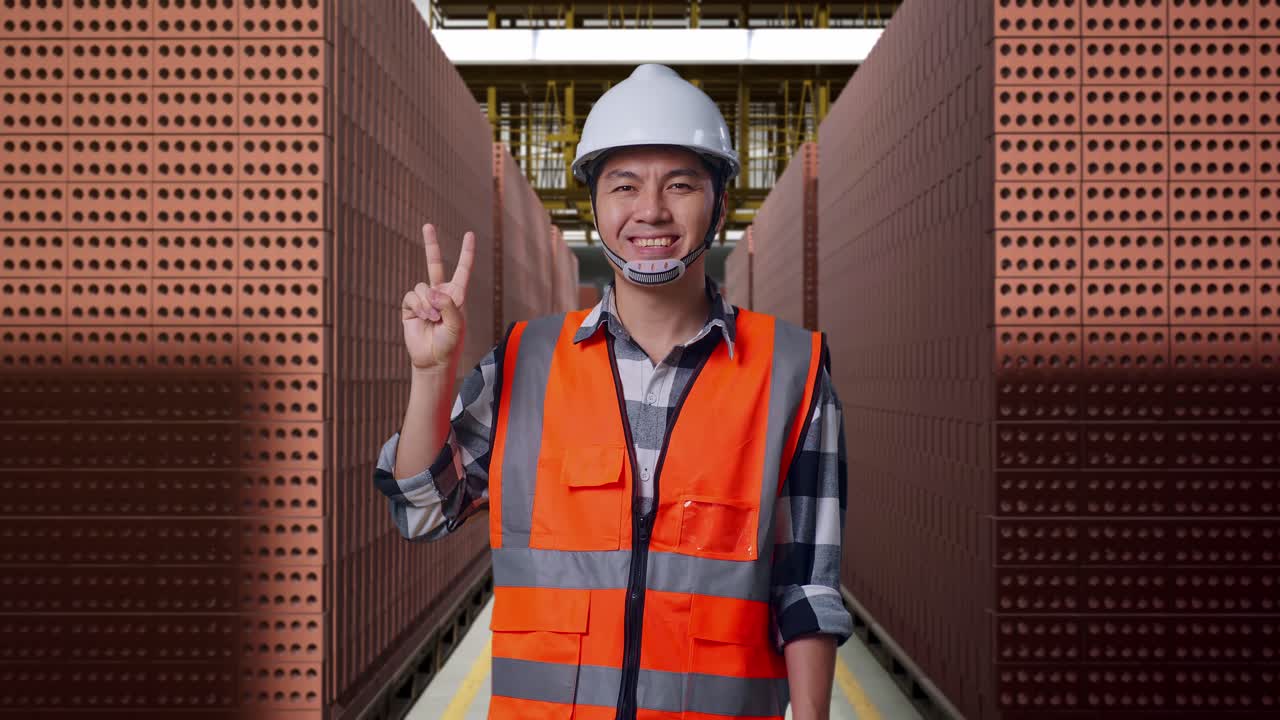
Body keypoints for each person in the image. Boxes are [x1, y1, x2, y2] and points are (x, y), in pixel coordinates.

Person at [374, 63, 852, 720]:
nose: (651, 209)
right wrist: (431, 375)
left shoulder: (793, 374)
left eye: (680, 184)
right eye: (624, 186)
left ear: (718, 200)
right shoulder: (526, 360)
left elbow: (806, 591)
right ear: (594, 204)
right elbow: (423, 511)